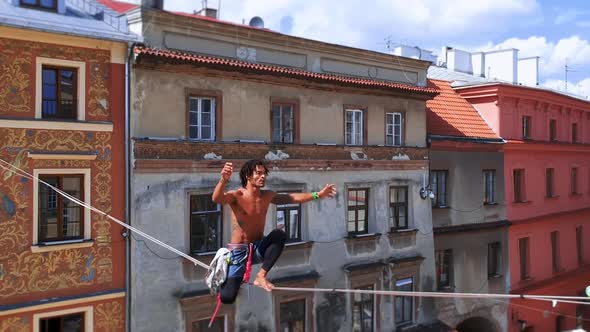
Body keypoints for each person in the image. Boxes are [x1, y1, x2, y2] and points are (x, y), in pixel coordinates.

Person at [212, 159, 336, 304]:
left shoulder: (267, 196)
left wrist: (318, 195)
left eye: (264, 173)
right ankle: (225, 277)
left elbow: (292, 198)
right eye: (258, 173)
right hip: (238, 253)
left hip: (258, 248)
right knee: (227, 297)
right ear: (248, 175)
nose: (263, 176)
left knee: (279, 234)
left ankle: (261, 276)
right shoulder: (237, 195)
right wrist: (223, 179)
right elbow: (217, 198)